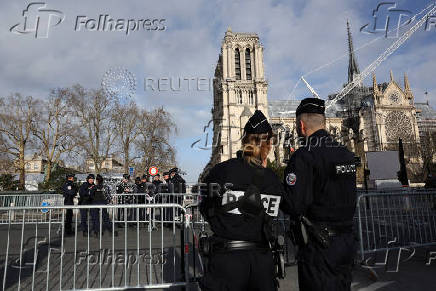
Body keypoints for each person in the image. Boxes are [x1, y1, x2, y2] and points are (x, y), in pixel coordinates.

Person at [200, 110, 285, 291]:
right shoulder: (271, 179)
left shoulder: (221, 171)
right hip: (261, 263)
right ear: (269, 145)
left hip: (227, 262)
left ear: (244, 139)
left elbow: (206, 208)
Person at [283, 98, 357, 291]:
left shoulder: (304, 156)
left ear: (301, 125)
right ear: (324, 121)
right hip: (347, 243)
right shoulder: (346, 154)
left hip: (320, 246)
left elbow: (294, 205)